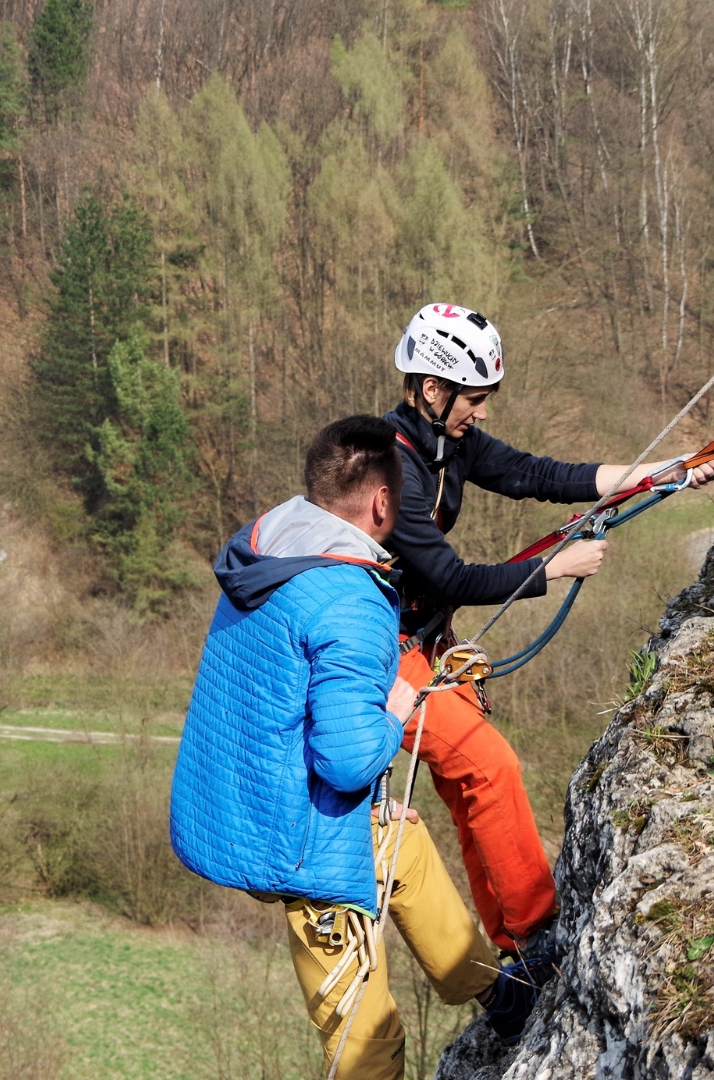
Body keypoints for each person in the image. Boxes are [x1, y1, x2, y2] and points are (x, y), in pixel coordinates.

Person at [170, 415, 548, 1080]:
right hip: (292, 839)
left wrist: (369, 803)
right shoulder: (353, 600)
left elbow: (292, 702)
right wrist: (395, 710)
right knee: (367, 1033)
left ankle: (499, 992)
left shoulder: (269, 549)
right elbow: (346, 757)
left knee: (404, 852)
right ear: (380, 504)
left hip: (238, 798)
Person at [383, 302, 714, 959]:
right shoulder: (392, 467)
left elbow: (539, 476)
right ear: (432, 389)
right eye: (474, 399)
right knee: (491, 766)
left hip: (414, 641)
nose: (481, 412)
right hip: (366, 654)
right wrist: (551, 570)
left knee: (471, 781)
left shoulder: (446, 446)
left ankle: (511, 950)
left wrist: (662, 473)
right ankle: (538, 939)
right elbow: (449, 577)